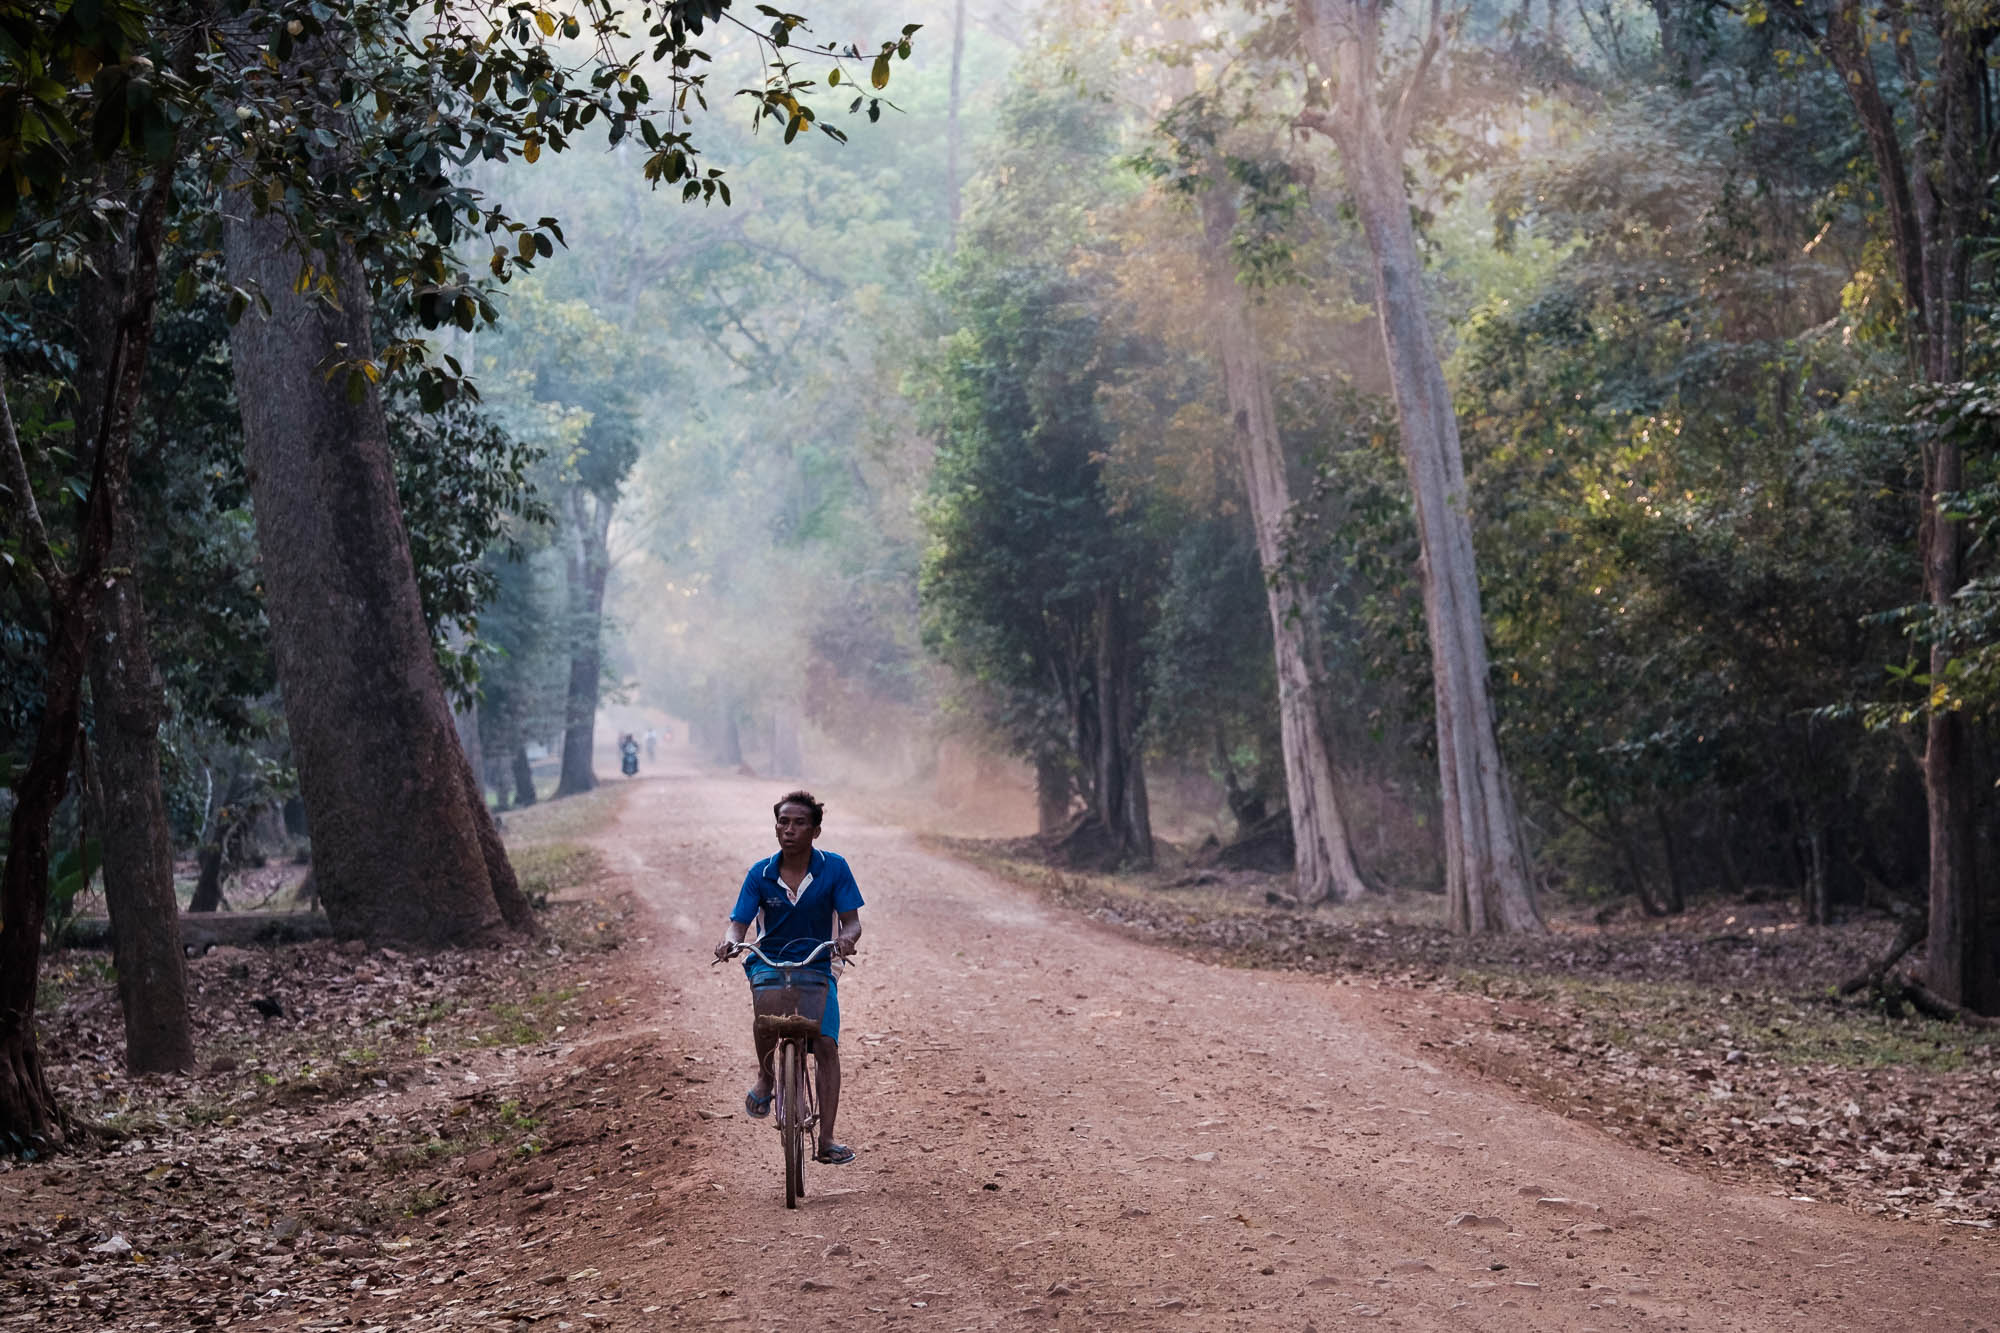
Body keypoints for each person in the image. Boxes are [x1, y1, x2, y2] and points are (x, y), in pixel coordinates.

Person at [714, 790, 864, 1165]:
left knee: (826, 1044)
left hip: (818, 963)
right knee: (766, 1021)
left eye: (799, 823)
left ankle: (826, 1139)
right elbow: (738, 926)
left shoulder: (835, 868)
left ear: (816, 831)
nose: (789, 829)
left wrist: (846, 939)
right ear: (775, 827)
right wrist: (730, 943)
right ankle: (766, 1077)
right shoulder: (759, 874)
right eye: (783, 822)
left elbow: (852, 922)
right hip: (770, 961)